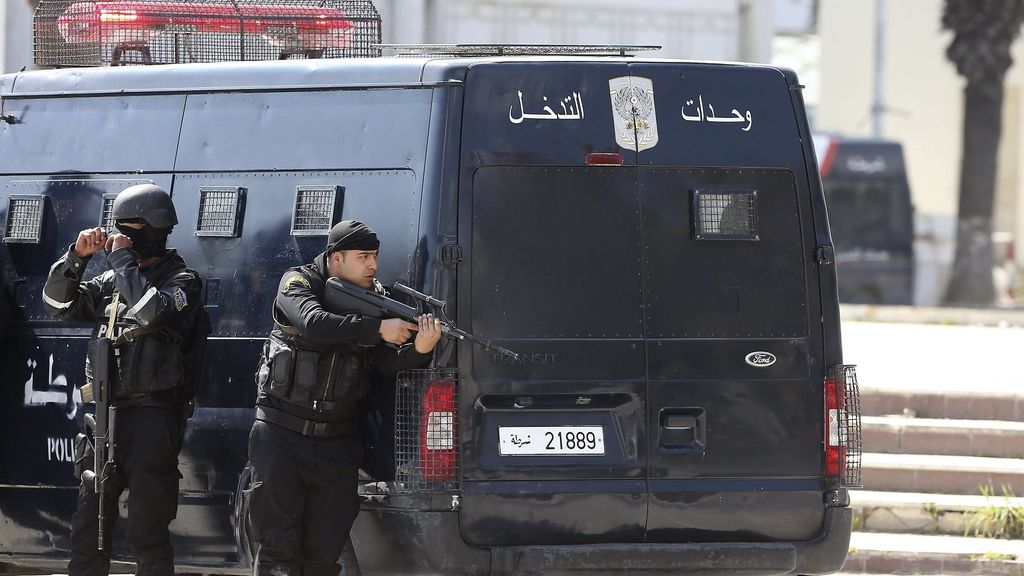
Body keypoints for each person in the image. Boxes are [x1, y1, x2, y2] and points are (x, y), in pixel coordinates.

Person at [247, 220, 442, 576]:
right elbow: (314, 323)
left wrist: (420, 349)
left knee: (324, 556)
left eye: (375, 256)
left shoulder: (373, 296)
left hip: (336, 442)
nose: (373, 265)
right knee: (279, 553)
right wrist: (376, 328)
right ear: (335, 259)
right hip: (281, 436)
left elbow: (384, 363)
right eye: (363, 256)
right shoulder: (298, 282)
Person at [42, 184, 208, 576]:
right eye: (118, 228)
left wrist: (121, 261)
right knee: (88, 530)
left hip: (152, 419)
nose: (121, 235)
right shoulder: (113, 280)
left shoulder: (183, 281)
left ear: (155, 228)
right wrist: (76, 258)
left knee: (147, 533)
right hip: (103, 417)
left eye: (130, 228)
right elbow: (56, 305)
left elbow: (153, 312)